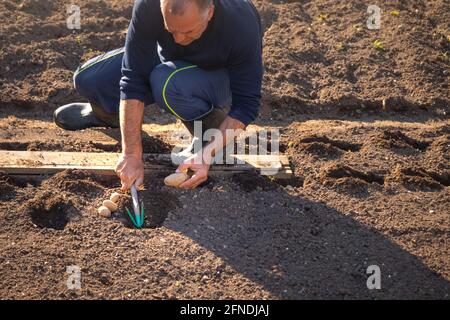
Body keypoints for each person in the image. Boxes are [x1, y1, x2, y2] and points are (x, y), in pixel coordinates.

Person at [53, 0, 263, 190]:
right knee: (88, 79)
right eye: (170, 29)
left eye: (188, 32)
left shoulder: (239, 21)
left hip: (216, 74)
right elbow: (132, 79)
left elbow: (246, 105)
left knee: (166, 82)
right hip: (166, 56)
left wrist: (208, 154)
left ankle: (207, 131)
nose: (179, 38)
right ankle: (108, 115)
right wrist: (131, 154)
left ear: (209, 13)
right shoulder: (149, 4)